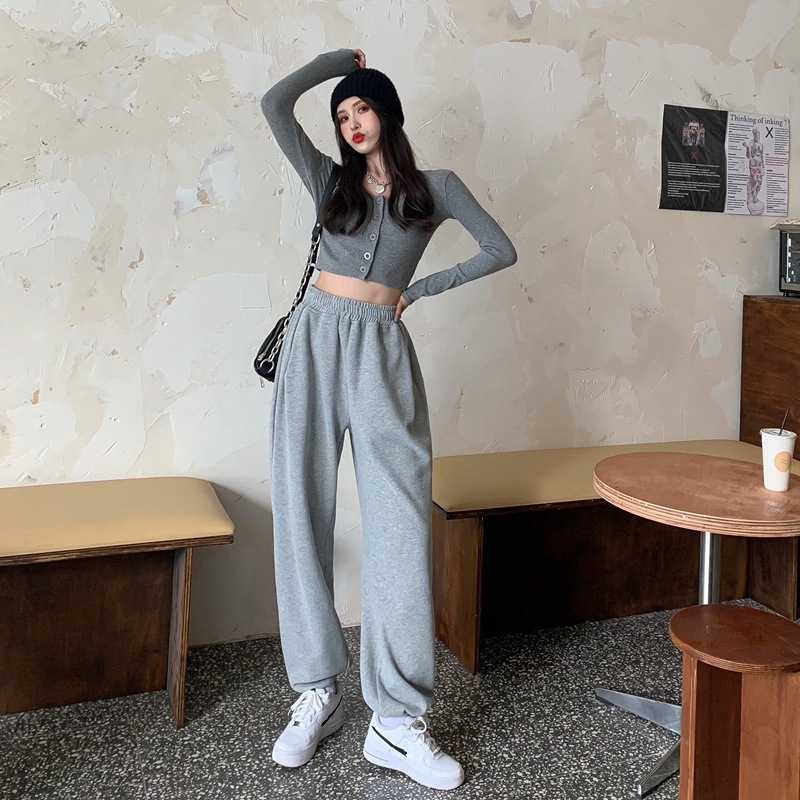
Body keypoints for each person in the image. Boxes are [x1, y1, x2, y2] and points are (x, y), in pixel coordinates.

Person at [260, 47, 517, 791]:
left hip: (381, 350)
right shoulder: (328, 180)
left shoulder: (437, 188)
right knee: (301, 509)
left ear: (388, 113)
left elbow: (500, 249)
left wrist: (422, 289)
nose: (351, 122)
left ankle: (396, 721)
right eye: (341, 114)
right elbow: (275, 105)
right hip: (313, 340)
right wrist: (335, 64)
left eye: (362, 106)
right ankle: (318, 690)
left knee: (401, 525)